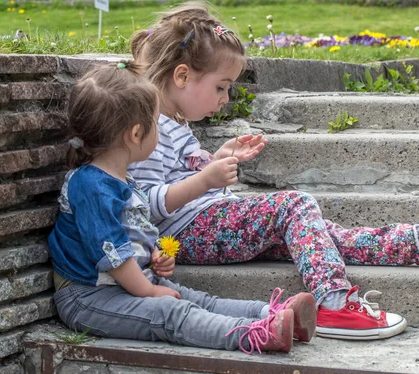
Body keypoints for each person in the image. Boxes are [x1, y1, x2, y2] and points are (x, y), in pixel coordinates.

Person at [129, 2, 419, 341]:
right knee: (294, 206)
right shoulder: (150, 126)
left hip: (206, 224)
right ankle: (332, 303)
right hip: (187, 234)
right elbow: (145, 203)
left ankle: (415, 242)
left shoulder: (174, 123)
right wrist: (206, 179)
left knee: (319, 236)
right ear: (182, 76)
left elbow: (178, 175)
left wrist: (214, 159)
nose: (226, 98)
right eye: (221, 87)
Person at [47, 61, 317, 355]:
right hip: (88, 297)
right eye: (157, 124)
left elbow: (128, 235)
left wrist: (152, 257)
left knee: (194, 297)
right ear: (136, 135)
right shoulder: (91, 186)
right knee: (170, 312)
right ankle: (256, 334)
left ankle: (269, 313)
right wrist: (148, 289)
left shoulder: (123, 179)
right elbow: (111, 253)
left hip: (121, 285)